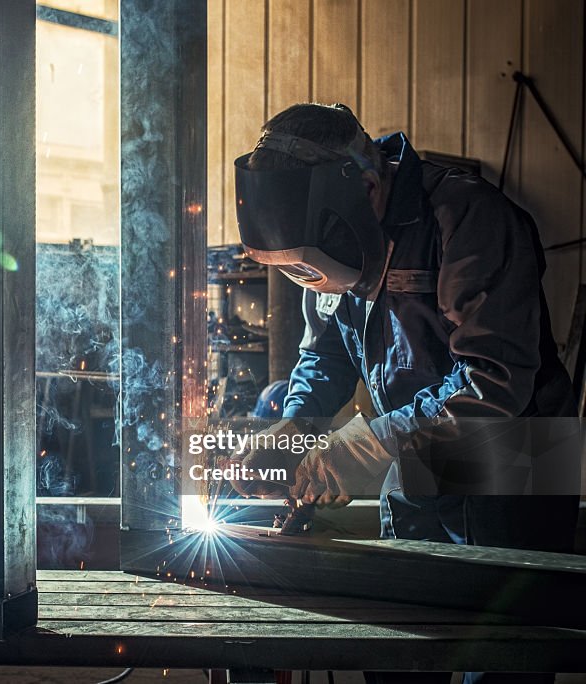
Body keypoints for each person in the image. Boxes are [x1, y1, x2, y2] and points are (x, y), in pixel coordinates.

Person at [230, 104, 579, 684]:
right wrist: (295, 424)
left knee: (498, 662)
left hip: (519, 461)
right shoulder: (328, 238)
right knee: (399, 648)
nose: (306, 280)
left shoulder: (467, 218)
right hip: (415, 454)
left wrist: (366, 446)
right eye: (294, 272)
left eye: (305, 268)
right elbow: (326, 351)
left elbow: (494, 379)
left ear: (369, 189)